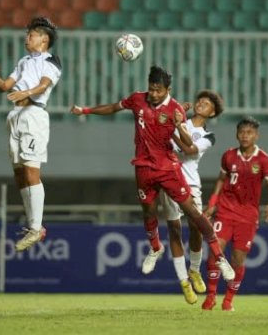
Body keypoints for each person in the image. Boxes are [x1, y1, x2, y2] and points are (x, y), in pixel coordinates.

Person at [70, 65, 235, 284]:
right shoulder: (138, 99)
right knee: (149, 213)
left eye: (159, 90)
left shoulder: (177, 110)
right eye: (152, 89)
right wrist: (86, 111)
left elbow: (189, 146)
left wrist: (178, 125)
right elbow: (114, 107)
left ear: (168, 89)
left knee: (194, 214)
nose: (154, 94)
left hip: (168, 168)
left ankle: (220, 258)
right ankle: (156, 248)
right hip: (143, 167)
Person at [0, 16, 61, 251]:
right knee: (19, 172)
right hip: (15, 116)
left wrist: (25, 93)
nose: (26, 37)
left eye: (31, 34)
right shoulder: (23, 61)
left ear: (44, 39)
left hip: (33, 114)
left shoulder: (51, 60)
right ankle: (32, 225)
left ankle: (36, 227)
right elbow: (5, 86)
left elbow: (43, 85)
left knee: (31, 170)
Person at [202, 117, 268, 311]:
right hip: (226, 211)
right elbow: (220, 180)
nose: (245, 136)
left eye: (249, 132)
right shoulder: (228, 156)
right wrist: (212, 204)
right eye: (242, 132)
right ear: (237, 134)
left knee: (237, 260)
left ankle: (228, 300)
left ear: (256, 135)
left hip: (248, 216)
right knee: (215, 250)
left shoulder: (264, 159)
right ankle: (210, 296)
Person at [156, 90, 224, 304]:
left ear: (212, 113)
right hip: (168, 179)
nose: (202, 103)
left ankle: (194, 269)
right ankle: (184, 281)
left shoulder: (208, 136)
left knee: (196, 226)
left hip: (191, 182)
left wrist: (176, 125)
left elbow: (191, 151)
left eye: (207, 103)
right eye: (200, 100)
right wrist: (174, 116)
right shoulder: (179, 118)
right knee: (174, 229)